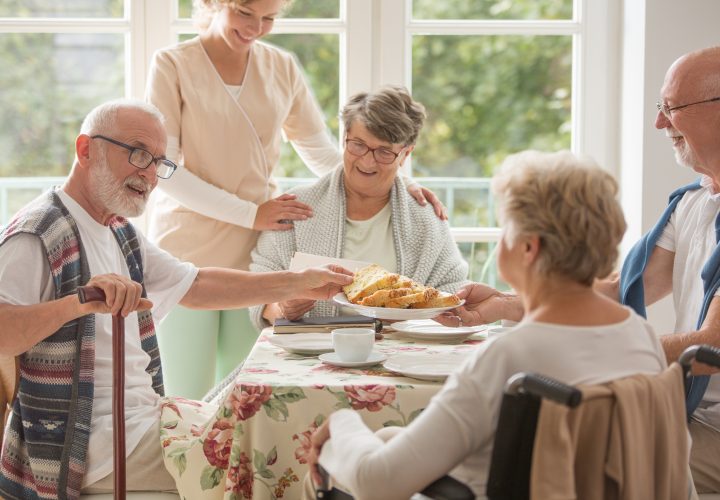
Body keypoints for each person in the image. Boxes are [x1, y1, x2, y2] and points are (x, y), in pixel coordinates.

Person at [0, 99, 353, 499]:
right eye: (137, 153)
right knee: (276, 454)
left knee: (288, 426)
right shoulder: (38, 231)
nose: (149, 174)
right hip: (90, 445)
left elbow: (197, 284)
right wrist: (78, 302)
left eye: (158, 162)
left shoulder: (117, 230)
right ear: (85, 149)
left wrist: (296, 283)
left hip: (143, 420)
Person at [304, 150, 669, 499]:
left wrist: (341, 421)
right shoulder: (640, 336)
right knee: (387, 439)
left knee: (337, 455)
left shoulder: (509, 358)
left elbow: (377, 485)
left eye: (504, 229)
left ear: (529, 247)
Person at [444, 46, 720, 495]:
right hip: (685, 416)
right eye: (660, 108)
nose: (659, 123)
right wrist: (502, 306)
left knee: (547, 453)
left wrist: (591, 346)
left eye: (672, 108)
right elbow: (622, 289)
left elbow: (712, 344)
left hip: (713, 434)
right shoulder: (694, 201)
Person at [144, 0, 446, 397]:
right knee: (186, 393)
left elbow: (319, 150)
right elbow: (163, 166)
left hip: (254, 254)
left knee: (243, 393)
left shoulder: (280, 66)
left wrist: (398, 183)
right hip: (189, 246)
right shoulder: (172, 64)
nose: (257, 27)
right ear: (215, 4)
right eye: (246, 13)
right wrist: (251, 213)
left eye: (269, 18)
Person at [248, 86, 468, 329]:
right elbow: (259, 290)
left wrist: (413, 312)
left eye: (384, 151)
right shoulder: (295, 209)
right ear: (345, 138)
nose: (367, 161)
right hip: (310, 354)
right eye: (358, 145)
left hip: (398, 355)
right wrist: (283, 308)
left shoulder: (425, 217)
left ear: (405, 154)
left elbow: (454, 290)